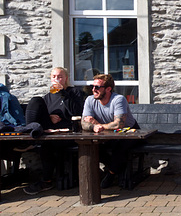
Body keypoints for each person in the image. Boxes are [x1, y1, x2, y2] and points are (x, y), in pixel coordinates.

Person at [24, 67, 85, 195]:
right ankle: (29, 133)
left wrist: (63, 93)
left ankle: (46, 181)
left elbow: (76, 112)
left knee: (46, 145)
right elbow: (44, 114)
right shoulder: (48, 96)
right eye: (54, 77)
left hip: (68, 131)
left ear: (66, 78)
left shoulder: (73, 92)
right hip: (51, 130)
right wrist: (49, 117)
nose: (56, 79)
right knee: (36, 100)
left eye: (60, 77)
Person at [82, 73, 138, 188]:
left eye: (97, 87)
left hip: (129, 132)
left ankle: (111, 174)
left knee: (119, 148)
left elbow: (119, 124)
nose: (93, 90)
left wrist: (98, 124)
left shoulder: (118, 99)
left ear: (108, 89)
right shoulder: (89, 100)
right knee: (91, 145)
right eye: (92, 87)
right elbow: (83, 122)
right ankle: (117, 169)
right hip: (106, 133)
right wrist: (93, 127)